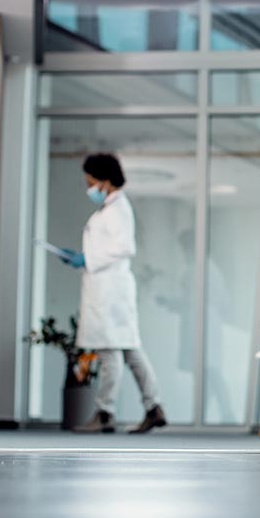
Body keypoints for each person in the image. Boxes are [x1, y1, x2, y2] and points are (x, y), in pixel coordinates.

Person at [61, 153, 168, 434]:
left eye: (91, 182)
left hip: (110, 290)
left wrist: (88, 259)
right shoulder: (110, 208)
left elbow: (124, 247)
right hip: (111, 289)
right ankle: (154, 406)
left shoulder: (118, 209)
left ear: (106, 181)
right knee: (131, 350)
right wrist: (84, 258)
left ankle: (105, 411)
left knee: (109, 351)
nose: (89, 188)